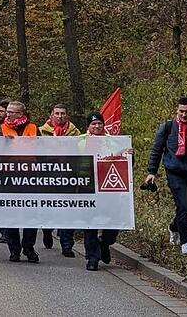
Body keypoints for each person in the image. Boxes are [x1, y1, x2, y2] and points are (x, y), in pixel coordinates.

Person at [145, 97, 187, 256]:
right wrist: (151, 172)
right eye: (181, 111)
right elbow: (157, 150)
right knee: (182, 205)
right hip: (174, 172)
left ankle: (174, 227)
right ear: (176, 110)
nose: (184, 115)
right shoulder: (168, 127)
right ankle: (186, 242)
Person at [79, 112, 122, 270]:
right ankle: (92, 257)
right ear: (88, 127)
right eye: (93, 124)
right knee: (90, 223)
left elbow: (123, 161)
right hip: (88, 185)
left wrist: (130, 155)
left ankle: (104, 243)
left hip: (108, 187)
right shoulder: (80, 141)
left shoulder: (112, 141)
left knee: (111, 224)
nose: (97, 126)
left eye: (99, 124)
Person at [0, 100, 41, 263]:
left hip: (30, 176)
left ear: (21, 114)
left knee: (30, 214)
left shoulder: (33, 128)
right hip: (7, 177)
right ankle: (14, 249)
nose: (7, 114)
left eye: (12, 112)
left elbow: (42, 149)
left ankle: (28, 247)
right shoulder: (0, 129)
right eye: (7, 111)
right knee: (10, 214)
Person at [39, 103, 80, 250]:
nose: (60, 116)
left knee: (67, 210)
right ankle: (47, 230)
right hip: (48, 177)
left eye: (62, 113)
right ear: (51, 115)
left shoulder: (75, 133)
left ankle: (67, 244)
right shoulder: (42, 132)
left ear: (67, 115)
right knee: (48, 208)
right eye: (57, 113)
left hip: (68, 177)